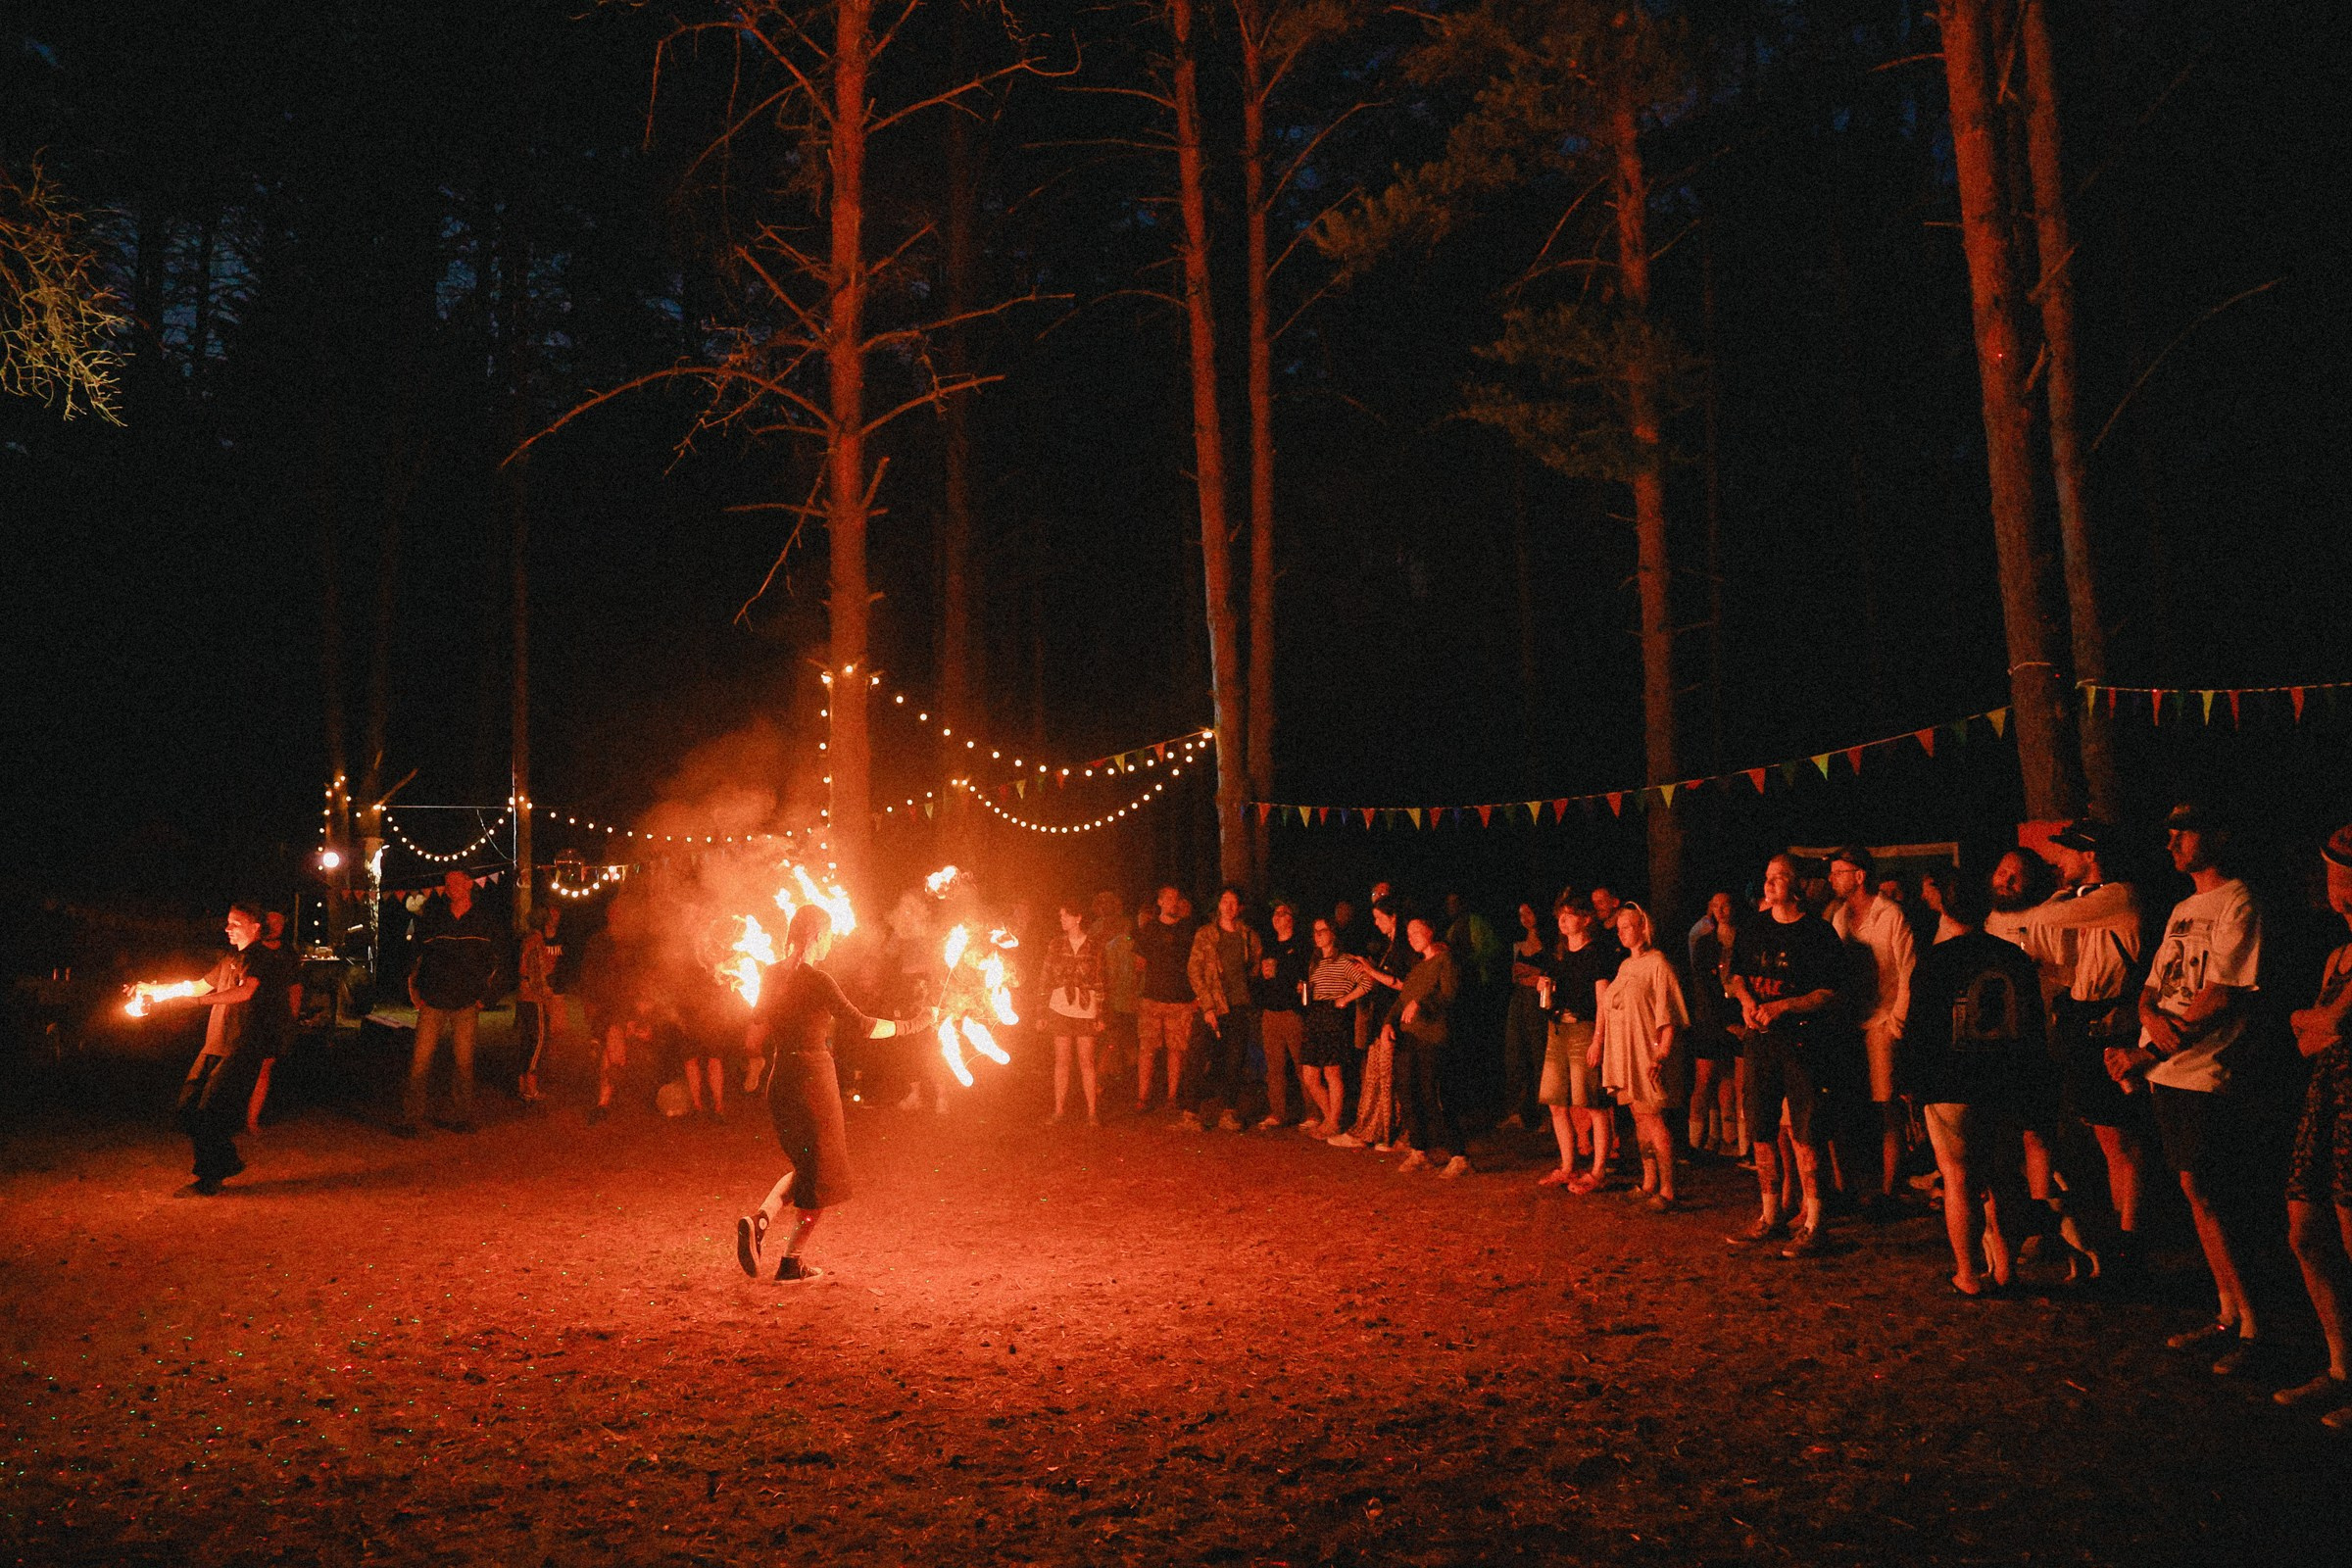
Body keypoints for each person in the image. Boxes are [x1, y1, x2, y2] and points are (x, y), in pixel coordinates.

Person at [2118, 802, 2268, 1374]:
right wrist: (2146, 1021)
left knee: (2215, 1197)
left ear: (2220, 834)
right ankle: (2228, 1312)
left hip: (2207, 1070)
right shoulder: (2183, 906)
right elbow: (2153, 984)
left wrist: (2147, 1049)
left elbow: (2223, 993)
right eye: (2170, 829)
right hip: (2168, 1070)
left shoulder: (2240, 902)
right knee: (2194, 1194)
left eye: (2186, 830)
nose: (2173, 840)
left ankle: (2256, 1326)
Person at [735, 904, 932, 1283]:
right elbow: (863, 1025)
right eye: (827, 935)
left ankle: (760, 1221)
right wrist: (916, 1024)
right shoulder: (819, 980)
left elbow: (757, 1021)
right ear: (813, 936)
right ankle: (790, 1262)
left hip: (781, 1080)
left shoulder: (771, 974)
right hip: (813, 1083)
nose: (830, 942)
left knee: (806, 1168)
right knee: (822, 1178)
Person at [2007, 819, 2148, 1275]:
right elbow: (2061, 957)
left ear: (2090, 856)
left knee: (2118, 1137)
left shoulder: (2118, 896)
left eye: (2067, 854)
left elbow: (2039, 921)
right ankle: (2118, 1234)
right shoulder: (2090, 903)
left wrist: (2049, 895)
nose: (2058, 862)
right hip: (2085, 1020)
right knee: (2105, 1136)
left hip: (2111, 1025)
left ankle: (2130, 1238)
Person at [1909, 871, 2045, 1296]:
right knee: (2005, 1174)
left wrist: (1913, 1083)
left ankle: (1968, 1273)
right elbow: (2032, 1023)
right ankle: (2007, 1267)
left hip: (1952, 1079)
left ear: (1945, 909)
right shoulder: (2013, 957)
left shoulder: (1937, 959)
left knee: (1958, 1176)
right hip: (2005, 1076)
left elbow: (1921, 1028)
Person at [1727, 854, 1848, 1258]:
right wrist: (1746, 1002)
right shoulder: (1753, 928)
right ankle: (1769, 1215)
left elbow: (1828, 992)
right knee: (1761, 1129)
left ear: (1797, 885)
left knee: (1805, 1132)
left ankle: (1815, 1221)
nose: (1770, 883)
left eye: (1779, 877)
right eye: (1767, 877)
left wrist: (1782, 1007)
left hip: (1803, 1044)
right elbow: (1737, 975)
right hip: (1760, 1042)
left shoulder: (1818, 934)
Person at [2278, 824, 2352, 1426]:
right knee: (2305, 1229)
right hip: (2326, 1094)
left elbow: (2325, 1022)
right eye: (2333, 874)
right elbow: (2306, 1037)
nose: (2339, 888)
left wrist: (2321, 1019)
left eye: (2347, 876)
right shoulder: (2337, 955)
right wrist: (2320, 1019)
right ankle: (2340, 1367)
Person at [1826, 847, 1916, 1213]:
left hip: (1881, 1021)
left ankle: (1888, 1189)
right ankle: (1850, 1185)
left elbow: (1908, 971)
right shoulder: (1840, 917)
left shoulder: (1891, 915)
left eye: (1839, 872)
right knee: (1850, 1105)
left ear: (1859, 875)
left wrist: (1897, 1022)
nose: (1833, 879)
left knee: (1886, 1106)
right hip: (1849, 1022)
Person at [163, 905, 267, 1196]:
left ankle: (210, 1177)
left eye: (236, 923)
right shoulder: (230, 958)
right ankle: (227, 1161)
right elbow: (197, 987)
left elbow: (245, 991)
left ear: (255, 926)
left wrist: (196, 1004)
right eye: (228, 923)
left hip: (239, 1046)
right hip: (214, 1043)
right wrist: (153, 991)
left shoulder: (260, 958)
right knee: (187, 1108)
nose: (228, 928)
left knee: (209, 1112)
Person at [1595, 904, 1689, 1208]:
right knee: (1639, 1117)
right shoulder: (1625, 967)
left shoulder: (1658, 964)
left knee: (1654, 1117)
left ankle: (1668, 1189)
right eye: (1619, 927)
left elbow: (1669, 1014)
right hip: (1625, 1053)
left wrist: (1661, 1053)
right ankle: (1649, 1181)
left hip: (1646, 1052)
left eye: (1628, 926)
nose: (1622, 932)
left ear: (1643, 928)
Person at [395, 869, 500, 1136]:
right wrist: (414, 991)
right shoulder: (435, 919)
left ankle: (462, 1117)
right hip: (433, 1001)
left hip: (466, 1003)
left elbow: (498, 963)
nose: (451, 887)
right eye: (448, 883)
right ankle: (411, 1118)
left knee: (464, 1064)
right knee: (420, 1062)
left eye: (456, 882)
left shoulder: (483, 920)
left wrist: (484, 998)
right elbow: (416, 956)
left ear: (467, 885)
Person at [1539, 892, 1623, 1191]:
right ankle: (1568, 1166)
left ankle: (1599, 1170)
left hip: (1584, 1028)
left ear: (1586, 919)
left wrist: (1598, 1041)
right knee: (1556, 1102)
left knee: (1592, 1103)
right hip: (1557, 1028)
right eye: (1560, 915)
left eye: (1569, 915)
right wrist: (1543, 986)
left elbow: (1603, 1001)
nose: (1562, 921)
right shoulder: (1559, 953)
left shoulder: (1597, 954)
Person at [1386, 916, 1467, 1176]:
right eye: (1408, 934)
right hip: (1409, 1037)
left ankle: (1458, 1154)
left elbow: (1449, 993)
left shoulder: (1446, 960)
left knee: (1434, 1094)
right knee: (1408, 1094)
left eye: (1417, 931)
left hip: (1433, 1036)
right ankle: (1420, 1150)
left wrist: (1422, 1003)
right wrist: (1388, 1022)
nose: (1412, 938)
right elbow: (1402, 1000)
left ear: (1430, 931)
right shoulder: (1417, 968)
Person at [1335, 896, 1412, 1150]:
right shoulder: (1389, 946)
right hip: (1381, 1019)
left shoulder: (1403, 948)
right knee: (1375, 1076)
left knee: (1388, 1079)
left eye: (1379, 918)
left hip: (1395, 1021)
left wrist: (1370, 971)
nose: (1376, 924)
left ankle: (1389, 1132)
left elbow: (1402, 984)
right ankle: (1370, 1129)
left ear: (1393, 918)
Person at [1186, 885, 1264, 1132]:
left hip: (1239, 1005)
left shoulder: (1248, 935)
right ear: (1218, 905)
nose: (1229, 907)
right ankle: (1189, 1111)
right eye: (1225, 901)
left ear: (1239, 907)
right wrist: (1207, 1006)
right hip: (1213, 1005)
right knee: (1198, 1056)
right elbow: (1194, 970)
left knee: (1235, 1059)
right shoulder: (1206, 934)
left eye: (1234, 902)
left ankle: (1229, 1110)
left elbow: (1254, 967)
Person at [1684, 892, 1743, 1157]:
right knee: (1705, 1079)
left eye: (1726, 904)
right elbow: (1703, 987)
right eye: (1715, 906)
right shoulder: (1705, 944)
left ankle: (1736, 1142)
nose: (1721, 910)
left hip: (1741, 1018)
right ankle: (1696, 1142)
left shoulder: (1745, 941)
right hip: (1711, 1019)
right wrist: (1722, 1021)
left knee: (1735, 1080)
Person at [1040, 899, 1106, 1125]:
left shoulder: (1094, 946)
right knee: (1062, 1061)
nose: (1062, 920)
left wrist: (1101, 1014)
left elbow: (1100, 980)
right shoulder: (1056, 945)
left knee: (1086, 1061)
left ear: (1078, 918)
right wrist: (1041, 1012)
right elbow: (1046, 977)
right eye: (1061, 916)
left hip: (1086, 1008)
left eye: (1066, 915)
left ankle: (1092, 1112)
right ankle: (1059, 1110)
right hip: (1060, 1006)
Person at [1302, 914, 1367, 1138]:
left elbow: (1367, 982)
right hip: (1316, 1015)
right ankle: (1331, 1118)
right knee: (1310, 1075)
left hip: (1333, 1015)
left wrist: (1346, 999)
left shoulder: (1345, 961)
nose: (1318, 935)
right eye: (1315, 932)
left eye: (1322, 931)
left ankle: (1332, 1122)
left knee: (1332, 1072)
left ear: (1332, 934)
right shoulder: (1316, 961)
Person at [1133, 886, 1193, 1117]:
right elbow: (1139, 964)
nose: (1172, 902)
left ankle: (1172, 1097)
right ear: (1159, 902)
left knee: (1176, 1050)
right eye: (1167, 899)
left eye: (1176, 899)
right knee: (1147, 1049)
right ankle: (1143, 1097)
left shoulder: (1187, 930)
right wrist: (1136, 995)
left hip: (1179, 1000)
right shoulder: (1149, 929)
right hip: (1152, 998)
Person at [242, 907, 303, 1134]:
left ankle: (252, 1119)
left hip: (274, 1016)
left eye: (280, 922)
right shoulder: (253, 951)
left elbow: (295, 986)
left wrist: (292, 1017)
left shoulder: (288, 953)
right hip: (251, 1013)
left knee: (265, 1067)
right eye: (272, 921)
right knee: (243, 1065)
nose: (276, 926)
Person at [1254, 900, 1313, 1129]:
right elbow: (1259, 980)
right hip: (1271, 1012)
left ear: (1291, 919)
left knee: (1302, 1065)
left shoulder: (1301, 946)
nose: (1278, 917)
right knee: (1274, 1067)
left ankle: (1313, 1112)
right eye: (1275, 914)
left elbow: (1305, 978)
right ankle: (1277, 1112)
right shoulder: (1268, 947)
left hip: (1292, 1012)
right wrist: (1262, 976)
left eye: (1283, 913)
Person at [1501, 901, 1549, 1132]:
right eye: (1521, 914)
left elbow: (1548, 975)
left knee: (1540, 1055)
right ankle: (1519, 1111)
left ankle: (1546, 1114)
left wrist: (1532, 975)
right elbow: (1515, 975)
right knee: (1516, 1054)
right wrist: (1531, 976)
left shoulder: (1550, 943)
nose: (1525, 918)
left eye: (1529, 913)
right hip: (1520, 1000)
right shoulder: (1518, 944)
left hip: (1539, 1002)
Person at [515, 904, 562, 1103]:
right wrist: (546, 992)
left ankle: (522, 1086)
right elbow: (534, 972)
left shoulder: (528, 939)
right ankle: (530, 1087)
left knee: (527, 1040)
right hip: (534, 999)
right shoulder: (535, 941)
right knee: (539, 1041)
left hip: (524, 998)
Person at [1095, 891, 1138, 1098]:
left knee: (1124, 1035)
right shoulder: (1096, 928)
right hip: (1103, 988)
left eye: (1108, 903)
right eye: (1100, 903)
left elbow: (1130, 952)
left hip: (1124, 989)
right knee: (1111, 1035)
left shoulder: (1125, 926)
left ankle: (1118, 1076)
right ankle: (1105, 1076)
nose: (1104, 906)